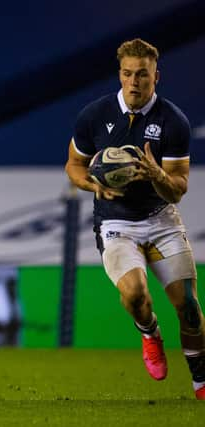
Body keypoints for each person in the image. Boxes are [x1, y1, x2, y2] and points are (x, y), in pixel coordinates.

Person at [65, 38, 205, 399]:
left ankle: (201, 380)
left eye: (142, 74)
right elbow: (74, 166)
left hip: (161, 219)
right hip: (116, 224)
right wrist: (93, 186)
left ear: (156, 76)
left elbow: (178, 189)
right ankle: (149, 333)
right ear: (120, 74)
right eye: (127, 74)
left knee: (188, 307)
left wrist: (157, 175)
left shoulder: (174, 122)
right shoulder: (94, 115)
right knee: (135, 295)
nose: (134, 82)